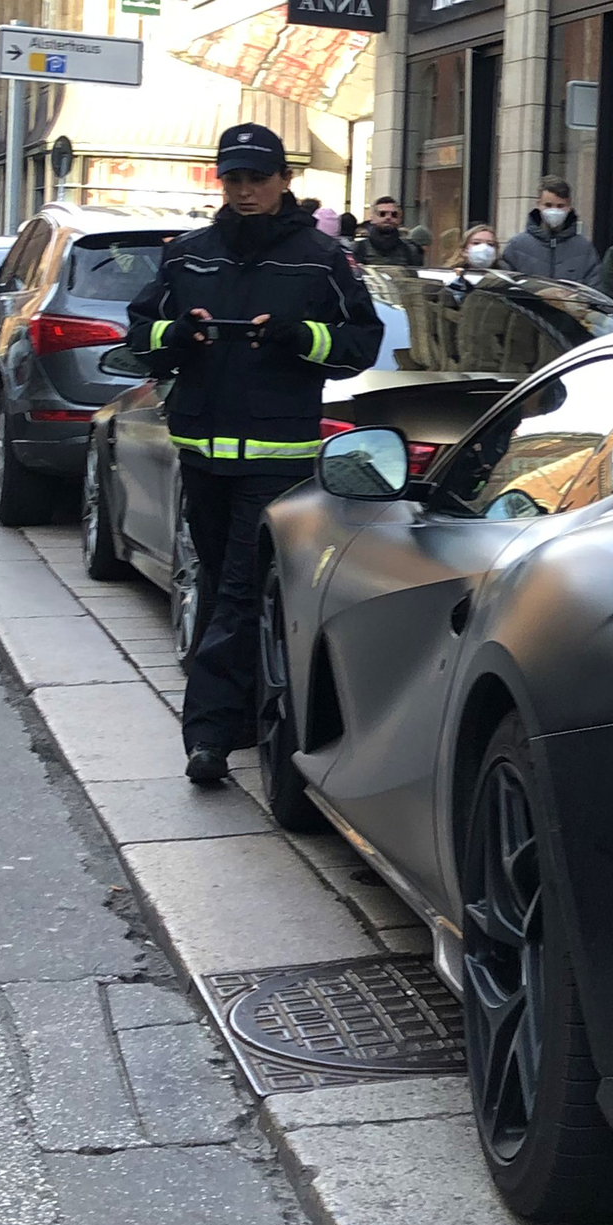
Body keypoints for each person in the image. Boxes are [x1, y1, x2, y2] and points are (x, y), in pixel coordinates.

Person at [124, 123, 382, 788]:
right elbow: (142, 334)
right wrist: (178, 334)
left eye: (257, 179)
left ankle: (206, 737)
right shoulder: (188, 254)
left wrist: (300, 336)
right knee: (218, 586)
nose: (244, 191)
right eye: (233, 178)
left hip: (277, 457)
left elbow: (361, 343)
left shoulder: (322, 258)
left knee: (238, 590)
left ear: (283, 181)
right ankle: (237, 717)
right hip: (201, 451)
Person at [500, 178, 601, 284]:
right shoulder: (517, 246)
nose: (554, 211)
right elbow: (505, 287)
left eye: (560, 206)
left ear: (569, 206)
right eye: (548, 205)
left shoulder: (584, 249)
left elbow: (594, 288)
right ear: (538, 204)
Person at [351, 197, 430, 269]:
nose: (388, 217)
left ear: (399, 219)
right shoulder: (358, 248)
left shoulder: (411, 250)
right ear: (372, 218)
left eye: (394, 214)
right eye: (382, 214)